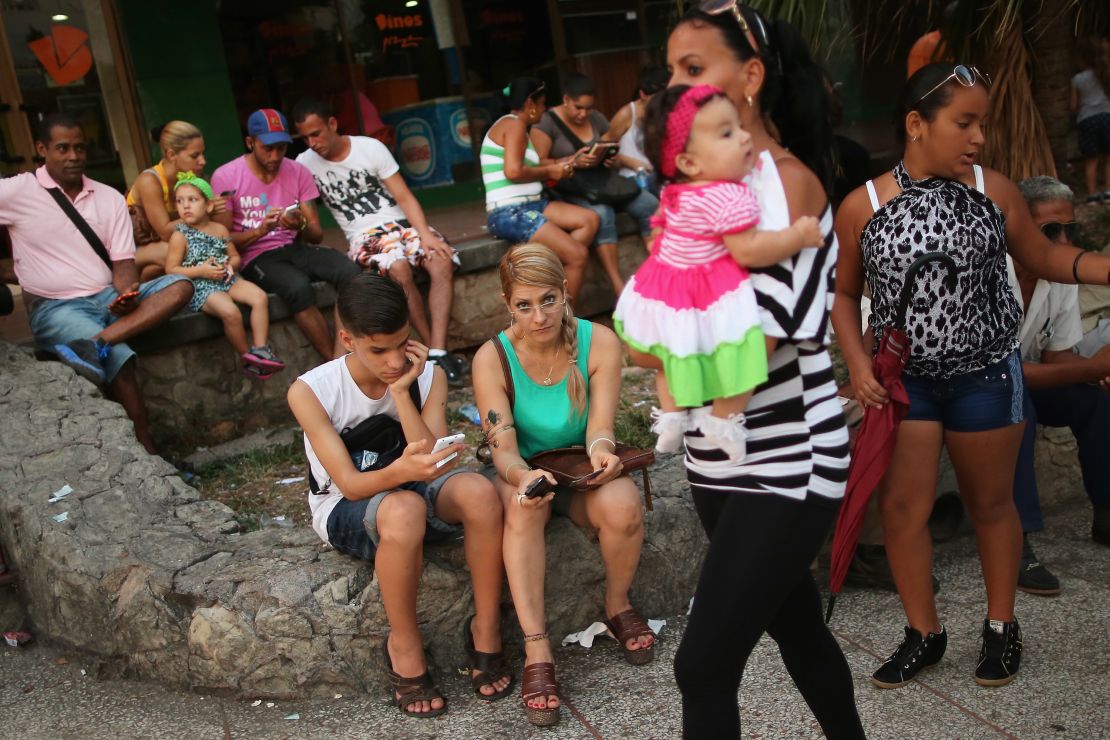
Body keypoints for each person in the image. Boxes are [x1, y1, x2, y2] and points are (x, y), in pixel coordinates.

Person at [833, 63, 1110, 691]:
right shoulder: (865, 205)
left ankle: (1001, 626)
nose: (978, 137)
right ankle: (923, 633)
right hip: (908, 383)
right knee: (904, 508)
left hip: (986, 372)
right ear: (915, 124)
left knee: (991, 504)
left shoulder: (995, 190)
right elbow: (845, 296)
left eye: (980, 123)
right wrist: (857, 363)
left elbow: (1044, 257)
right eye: (965, 122)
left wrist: (1101, 266)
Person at [665, 7, 865, 738]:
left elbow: (762, 338)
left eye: (693, 69)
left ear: (749, 78)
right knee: (797, 628)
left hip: (788, 456)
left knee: (703, 666)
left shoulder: (789, 186)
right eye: (671, 70)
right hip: (718, 451)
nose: (675, 85)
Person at [287, 273, 511, 718]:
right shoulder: (311, 391)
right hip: (345, 506)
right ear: (347, 338)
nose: (393, 360)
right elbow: (348, 484)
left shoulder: (427, 376)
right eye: (378, 351)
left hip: (413, 485)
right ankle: (404, 643)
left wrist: (401, 393)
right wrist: (403, 470)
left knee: (479, 492)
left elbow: (435, 463)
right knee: (405, 509)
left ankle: (486, 627)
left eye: (401, 345)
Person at [471, 244, 654, 728]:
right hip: (525, 471)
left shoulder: (600, 342)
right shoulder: (493, 357)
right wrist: (521, 476)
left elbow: (600, 425)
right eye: (525, 305)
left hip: (579, 470)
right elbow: (502, 448)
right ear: (507, 302)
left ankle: (617, 605)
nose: (539, 317)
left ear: (565, 292)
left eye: (549, 300)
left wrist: (601, 449)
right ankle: (537, 649)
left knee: (623, 502)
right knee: (524, 507)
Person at [615, 84, 823, 458]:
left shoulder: (677, 190)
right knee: (751, 349)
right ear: (690, 163)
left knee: (670, 354)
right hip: (704, 289)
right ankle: (722, 418)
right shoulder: (730, 195)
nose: (745, 137)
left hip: (662, 285)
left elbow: (659, 226)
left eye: (739, 126)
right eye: (727, 133)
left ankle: (672, 417)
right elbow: (749, 249)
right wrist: (798, 235)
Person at [0, 113, 193, 453]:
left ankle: (95, 341)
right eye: (62, 148)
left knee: (179, 284)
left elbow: (122, 262)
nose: (73, 156)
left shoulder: (108, 197)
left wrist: (128, 294)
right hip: (54, 305)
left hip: (107, 297)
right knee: (120, 360)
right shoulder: (17, 191)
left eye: (79, 148)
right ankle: (149, 454)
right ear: (42, 148)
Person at [291, 98, 469, 385]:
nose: (312, 142)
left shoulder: (369, 148)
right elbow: (312, 225)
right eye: (305, 137)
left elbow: (404, 196)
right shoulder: (304, 163)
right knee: (398, 268)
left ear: (332, 124)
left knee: (440, 260)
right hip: (365, 236)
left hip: (401, 224)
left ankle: (436, 350)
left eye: (317, 133)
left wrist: (423, 233)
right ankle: (430, 349)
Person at [1007, 176, 1110, 595]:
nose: (1063, 239)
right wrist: (1091, 367)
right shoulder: (990, 275)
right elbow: (1006, 371)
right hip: (970, 390)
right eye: (1051, 230)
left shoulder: (1060, 276)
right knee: (1016, 407)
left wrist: (1094, 371)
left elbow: (1059, 359)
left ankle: (1106, 511)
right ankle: (1017, 542)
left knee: (1094, 401)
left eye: (1070, 229)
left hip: (1019, 380)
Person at [212, 108, 361, 361]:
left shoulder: (297, 171)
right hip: (255, 257)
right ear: (250, 143)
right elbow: (221, 239)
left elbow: (316, 235)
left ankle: (343, 356)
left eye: (281, 148)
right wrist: (261, 230)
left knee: (350, 272)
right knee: (297, 287)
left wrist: (299, 224)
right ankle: (333, 364)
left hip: (294, 247)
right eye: (267, 148)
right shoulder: (226, 176)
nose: (275, 155)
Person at [532, 73, 660, 296]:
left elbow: (612, 151)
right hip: (568, 187)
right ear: (566, 100)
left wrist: (610, 158)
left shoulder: (597, 119)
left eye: (588, 108)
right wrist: (574, 161)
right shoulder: (547, 122)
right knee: (602, 213)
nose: (583, 114)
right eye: (578, 107)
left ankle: (659, 268)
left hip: (603, 183)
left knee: (649, 203)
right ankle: (617, 285)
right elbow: (539, 163)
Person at [481, 78, 597, 304]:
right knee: (578, 256)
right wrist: (551, 172)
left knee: (589, 219)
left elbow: (534, 165)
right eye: (543, 104)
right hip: (509, 211)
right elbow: (513, 171)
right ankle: (563, 321)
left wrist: (568, 161)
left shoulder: (518, 127)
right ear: (530, 103)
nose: (544, 111)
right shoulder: (513, 124)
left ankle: (553, 272)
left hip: (532, 203)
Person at [165, 172, 284, 378]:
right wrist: (201, 271)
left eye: (192, 200)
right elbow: (171, 269)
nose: (185, 206)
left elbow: (235, 256)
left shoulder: (219, 229)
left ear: (209, 205)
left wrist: (231, 265)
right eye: (180, 201)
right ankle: (247, 356)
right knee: (230, 312)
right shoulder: (180, 236)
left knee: (259, 297)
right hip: (201, 286)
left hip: (228, 279)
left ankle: (261, 348)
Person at [126, 121, 230, 281]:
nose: (203, 161)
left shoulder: (194, 178)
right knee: (178, 253)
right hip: (137, 248)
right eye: (195, 156)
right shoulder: (150, 180)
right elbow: (165, 232)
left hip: (174, 242)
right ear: (171, 155)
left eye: (203, 154)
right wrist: (203, 211)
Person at [607, 66, 670, 193]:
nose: (661, 104)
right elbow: (605, 150)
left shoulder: (666, 112)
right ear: (643, 95)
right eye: (657, 100)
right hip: (633, 178)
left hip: (659, 177)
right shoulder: (627, 114)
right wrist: (629, 162)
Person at [1072, 36, 1110, 203]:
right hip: (1107, 116)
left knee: (1091, 159)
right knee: (1109, 157)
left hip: (1087, 120)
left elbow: (1073, 106)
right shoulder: (1106, 73)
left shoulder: (1078, 79)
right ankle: (1108, 192)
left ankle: (1092, 195)